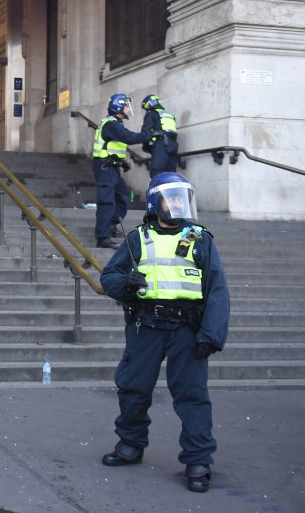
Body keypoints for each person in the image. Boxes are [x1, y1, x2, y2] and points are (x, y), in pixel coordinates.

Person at [99, 172, 229, 494]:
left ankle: (198, 460)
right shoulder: (138, 238)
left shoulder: (201, 239)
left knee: (192, 396)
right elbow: (109, 276)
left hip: (186, 330)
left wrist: (212, 335)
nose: (176, 204)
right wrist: (125, 286)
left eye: (181, 198)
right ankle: (130, 444)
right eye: (170, 198)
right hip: (146, 326)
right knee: (133, 387)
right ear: (156, 202)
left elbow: (218, 291)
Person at [91, 93, 148, 248]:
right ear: (119, 106)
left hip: (112, 166)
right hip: (105, 167)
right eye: (127, 106)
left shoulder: (116, 123)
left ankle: (111, 224)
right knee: (107, 201)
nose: (129, 109)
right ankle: (103, 237)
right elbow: (128, 137)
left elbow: (112, 146)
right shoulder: (111, 124)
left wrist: (122, 162)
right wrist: (147, 135)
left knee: (122, 195)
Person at [140, 95, 179, 177]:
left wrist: (145, 146)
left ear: (148, 105)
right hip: (173, 145)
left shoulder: (151, 114)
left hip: (161, 144)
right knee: (171, 173)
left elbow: (146, 132)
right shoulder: (170, 115)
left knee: (156, 172)